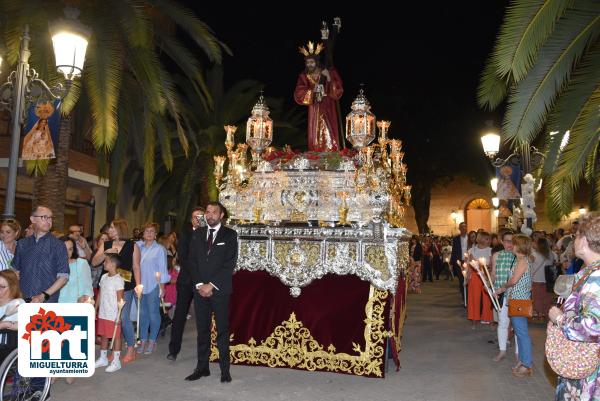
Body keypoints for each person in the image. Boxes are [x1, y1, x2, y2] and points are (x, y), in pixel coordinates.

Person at [185, 202, 238, 383]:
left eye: (214, 212)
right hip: (200, 291)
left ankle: (225, 370)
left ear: (221, 215)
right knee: (202, 331)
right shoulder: (198, 234)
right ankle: (202, 368)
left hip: (220, 290)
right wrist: (200, 284)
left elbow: (229, 264)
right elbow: (192, 261)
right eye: (208, 212)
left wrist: (211, 285)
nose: (210, 215)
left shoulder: (230, 235)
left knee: (222, 330)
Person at [549, 213, 600, 400]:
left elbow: (593, 327)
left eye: (576, 236)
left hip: (589, 372)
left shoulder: (596, 279)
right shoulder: (590, 272)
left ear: (585, 241)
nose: (574, 240)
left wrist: (559, 319)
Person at [91, 219, 141, 364]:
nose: (110, 231)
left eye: (112, 228)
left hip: (125, 286)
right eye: (110, 228)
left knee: (122, 318)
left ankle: (131, 348)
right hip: (107, 285)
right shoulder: (106, 244)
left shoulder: (133, 246)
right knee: (109, 318)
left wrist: (138, 285)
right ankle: (115, 351)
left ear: (120, 229)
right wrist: (106, 252)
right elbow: (94, 262)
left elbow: (136, 267)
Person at [168, 207, 205, 361]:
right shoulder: (186, 234)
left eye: (200, 216)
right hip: (186, 281)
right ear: (191, 219)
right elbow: (183, 257)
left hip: (203, 282)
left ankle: (203, 353)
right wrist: (197, 276)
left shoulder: (209, 235)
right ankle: (173, 350)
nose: (196, 219)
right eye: (194, 217)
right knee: (180, 316)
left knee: (203, 317)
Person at [294, 41, 343, 151]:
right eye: (307, 62)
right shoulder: (304, 76)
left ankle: (331, 150)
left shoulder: (327, 71)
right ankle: (316, 151)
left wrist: (329, 78)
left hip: (328, 104)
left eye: (312, 62)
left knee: (328, 126)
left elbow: (338, 89)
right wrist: (312, 91)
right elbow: (299, 92)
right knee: (315, 129)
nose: (309, 64)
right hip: (315, 106)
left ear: (316, 62)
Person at [495, 234, 533, 378]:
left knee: (522, 334)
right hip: (515, 300)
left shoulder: (522, 261)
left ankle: (527, 364)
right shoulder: (520, 260)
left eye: (514, 243)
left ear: (519, 246)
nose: (512, 246)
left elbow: (513, 280)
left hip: (519, 301)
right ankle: (523, 361)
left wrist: (502, 287)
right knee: (519, 332)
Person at [13, 206, 69, 303]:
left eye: (50, 218)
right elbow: (15, 271)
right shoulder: (22, 244)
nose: (49, 221)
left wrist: (43, 295)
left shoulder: (58, 245)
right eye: (44, 217)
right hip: (22, 300)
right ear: (33, 219)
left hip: (47, 301)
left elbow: (63, 277)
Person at [136, 223, 169, 355]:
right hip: (140, 285)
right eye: (147, 231)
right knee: (142, 314)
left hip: (154, 285)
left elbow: (162, 269)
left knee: (153, 313)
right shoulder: (138, 247)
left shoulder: (160, 249)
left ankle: (152, 340)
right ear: (143, 234)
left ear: (155, 234)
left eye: (152, 231)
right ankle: (143, 340)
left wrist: (162, 288)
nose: (149, 233)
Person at [95, 253, 125, 373]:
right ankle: (103, 358)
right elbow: (100, 294)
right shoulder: (103, 277)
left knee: (116, 336)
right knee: (103, 335)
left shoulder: (119, 280)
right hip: (103, 312)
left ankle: (116, 361)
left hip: (113, 314)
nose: (103, 263)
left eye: (106, 261)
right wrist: (95, 308)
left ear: (113, 264)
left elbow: (120, 300)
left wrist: (119, 315)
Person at [490, 230, 514, 362]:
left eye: (512, 241)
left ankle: (518, 353)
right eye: (506, 241)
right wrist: (489, 283)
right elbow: (493, 274)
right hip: (500, 293)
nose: (509, 244)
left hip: (515, 293)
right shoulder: (497, 255)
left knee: (516, 324)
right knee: (502, 322)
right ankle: (502, 350)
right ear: (502, 242)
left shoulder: (518, 256)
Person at [467, 231, 494, 327]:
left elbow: (492, 264)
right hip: (475, 275)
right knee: (475, 297)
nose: (489, 241)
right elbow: (469, 265)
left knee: (488, 297)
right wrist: (467, 278)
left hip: (487, 275)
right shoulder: (472, 250)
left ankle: (489, 318)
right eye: (487, 239)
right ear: (481, 239)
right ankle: (475, 318)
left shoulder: (490, 250)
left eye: (489, 239)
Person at [58, 237, 93, 304]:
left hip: (77, 306)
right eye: (64, 248)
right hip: (57, 306)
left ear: (73, 250)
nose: (67, 252)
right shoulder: (52, 265)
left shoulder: (81, 263)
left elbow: (88, 288)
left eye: (70, 249)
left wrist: (87, 301)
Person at [0, 270, 24, 361]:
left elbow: (27, 325)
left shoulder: (18, 304)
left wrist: (6, 324)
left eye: (2, 287)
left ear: (12, 287)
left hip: (6, 349)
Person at [531, 237, 554, 320]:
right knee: (546, 298)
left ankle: (539, 314)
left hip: (537, 279)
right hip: (547, 280)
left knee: (537, 298)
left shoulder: (534, 254)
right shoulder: (551, 254)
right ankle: (545, 314)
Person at [451, 222, 469, 300]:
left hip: (469, 262)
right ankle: (464, 297)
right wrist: (452, 263)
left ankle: (468, 297)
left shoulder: (470, 238)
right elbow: (454, 251)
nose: (463, 228)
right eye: (462, 227)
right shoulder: (456, 239)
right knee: (461, 280)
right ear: (459, 228)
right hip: (459, 262)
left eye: (465, 227)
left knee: (468, 279)